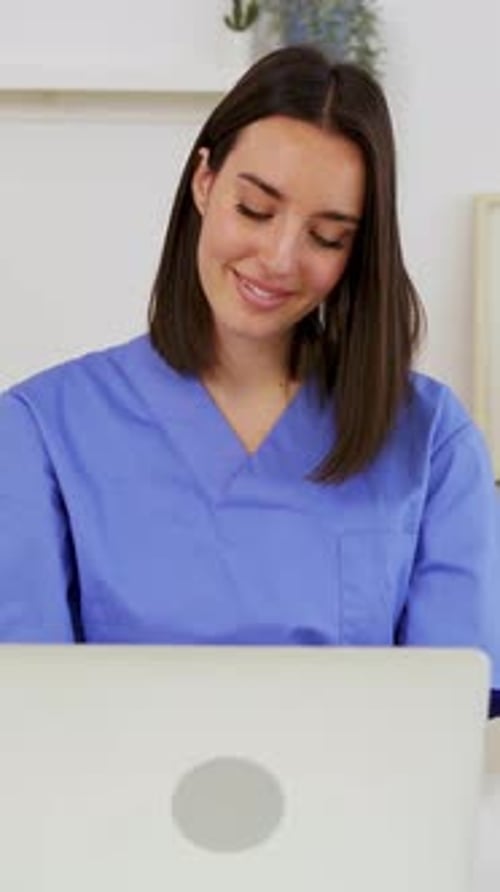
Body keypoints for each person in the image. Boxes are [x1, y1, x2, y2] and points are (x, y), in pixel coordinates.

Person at [0, 46, 499, 714]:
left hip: (359, 816)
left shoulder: (429, 440)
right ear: (204, 182)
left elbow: (450, 715)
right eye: (256, 210)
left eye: (327, 237)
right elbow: (30, 714)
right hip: (115, 818)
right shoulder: (40, 431)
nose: (279, 259)